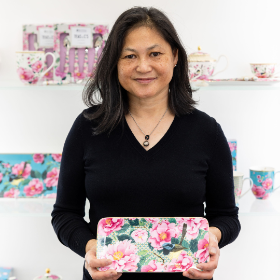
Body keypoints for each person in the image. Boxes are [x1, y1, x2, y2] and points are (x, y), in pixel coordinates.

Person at [51, 6, 241, 280]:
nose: (143, 66)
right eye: (129, 56)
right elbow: (65, 214)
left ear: (175, 57)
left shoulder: (206, 131)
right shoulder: (87, 127)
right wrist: (90, 247)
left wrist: (212, 237)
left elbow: (226, 216)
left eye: (155, 54)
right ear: (115, 62)